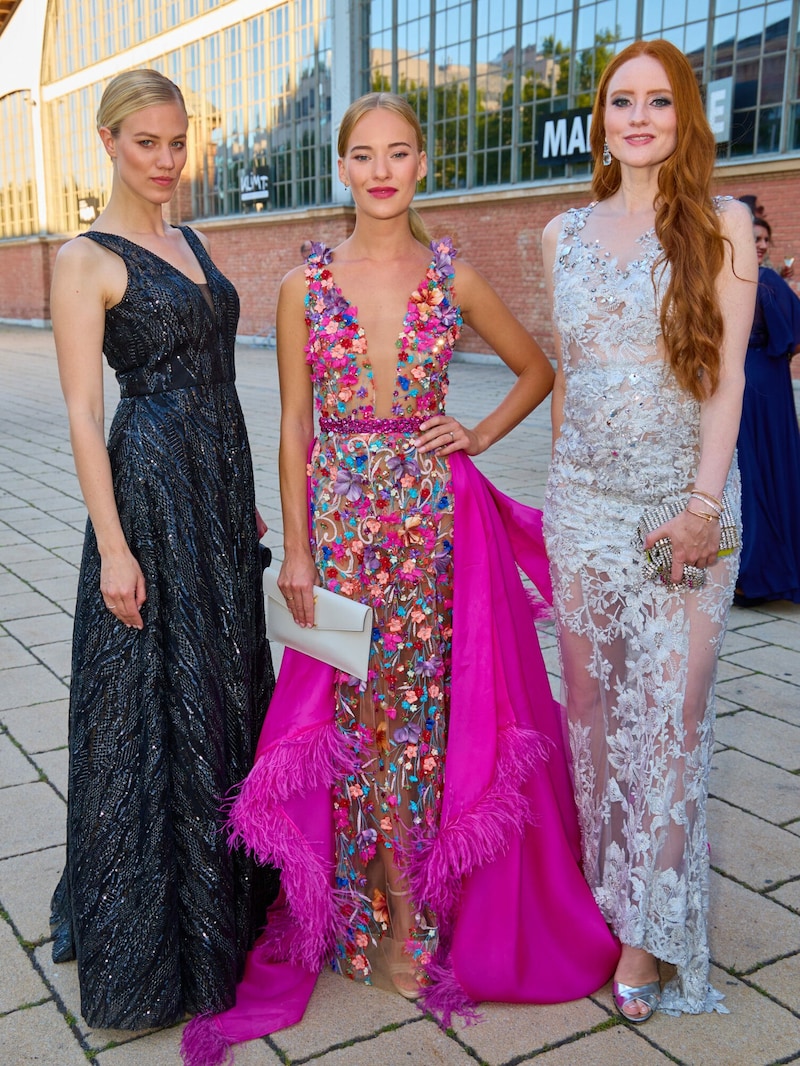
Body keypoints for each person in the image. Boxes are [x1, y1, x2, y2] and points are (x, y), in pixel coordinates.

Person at [181, 90, 618, 1066]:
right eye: (364, 155)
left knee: (423, 720)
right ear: (342, 169)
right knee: (353, 721)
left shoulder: (451, 274)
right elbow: (294, 423)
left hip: (430, 527)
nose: (381, 170)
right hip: (338, 523)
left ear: (422, 165)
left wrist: (478, 430)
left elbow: (534, 369)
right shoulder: (305, 282)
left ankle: (418, 919)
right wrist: (295, 547)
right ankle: (368, 917)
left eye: (400, 152)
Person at [49, 69, 275, 1030]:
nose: (168, 160)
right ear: (107, 142)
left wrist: (248, 501)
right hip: (149, 488)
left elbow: (221, 377)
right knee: (159, 702)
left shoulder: (189, 239)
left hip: (219, 487)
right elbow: (80, 407)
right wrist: (113, 548)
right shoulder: (82, 257)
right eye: (148, 142)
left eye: (179, 141)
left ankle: (232, 901)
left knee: (227, 685)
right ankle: (160, 939)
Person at [541, 39, 757, 1023]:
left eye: (656, 102)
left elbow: (729, 380)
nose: (636, 117)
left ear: (683, 118)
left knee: (663, 721)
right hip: (581, 512)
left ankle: (646, 932)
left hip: (682, 512)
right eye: (619, 101)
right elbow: (571, 381)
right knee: (589, 711)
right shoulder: (559, 234)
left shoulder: (722, 226)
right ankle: (598, 895)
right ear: (599, 119)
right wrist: (555, 501)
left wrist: (701, 509)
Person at [735, 215, 800, 606]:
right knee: (768, 470)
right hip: (765, 382)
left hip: (746, 378)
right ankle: (766, 568)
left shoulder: (725, 277)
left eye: (765, 239)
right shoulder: (766, 280)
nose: (761, 244)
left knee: (750, 471)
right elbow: (793, 339)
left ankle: (750, 571)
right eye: (755, 237)